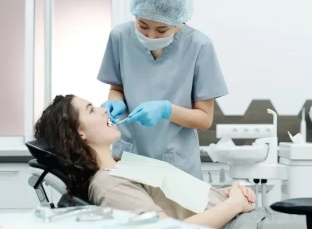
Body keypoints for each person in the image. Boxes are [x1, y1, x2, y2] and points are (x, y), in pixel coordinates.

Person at [34, 95, 307, 229]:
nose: (105, 108)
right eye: (92, 109)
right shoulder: (108, 184)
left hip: (249, 217)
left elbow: (178, 201)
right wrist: (234, 204)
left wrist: (225, 191)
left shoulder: (121, 165)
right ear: (78, 132)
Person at [97, 0, 229, 180]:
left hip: (176, 165)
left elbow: (204, 119)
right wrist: (116, 103)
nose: (150, 36)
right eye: (142, 25)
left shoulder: (199, 46)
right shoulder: (120, 37)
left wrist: (166, 110)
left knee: (180, 213)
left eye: (161, 30)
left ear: (179, 21)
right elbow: (117, 88)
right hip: (127, 158)